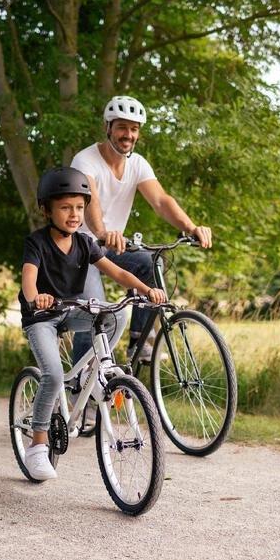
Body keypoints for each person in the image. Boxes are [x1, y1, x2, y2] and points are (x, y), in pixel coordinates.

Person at [19, 166, 167, 481]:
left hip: (72, 310)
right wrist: (37, 298)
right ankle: (37, 445)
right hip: (41, 316)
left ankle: (91, 372)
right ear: (47, 209)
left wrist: (147, 290)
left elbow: (119, 273)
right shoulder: (37, 243)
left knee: (116, 314)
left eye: (79, 207)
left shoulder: (85, 244)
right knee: (54, 375)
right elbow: (29, 280)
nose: (74, 214)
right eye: (65, 207)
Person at [69, 94, 213, 367]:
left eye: (134, 129)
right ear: (108, 127)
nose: (128, 135)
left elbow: (161, 201)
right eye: (122, 127)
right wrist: (101, 232)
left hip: (112, 245)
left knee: (148, 264)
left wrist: (191, 227)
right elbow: (91, 202)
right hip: (81, 247)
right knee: (96, 311)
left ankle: (139, 341)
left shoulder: (137, 163)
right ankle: (79, 383)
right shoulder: (85, 160)